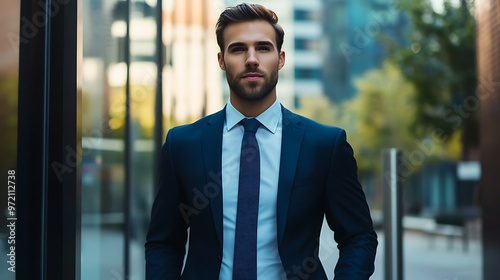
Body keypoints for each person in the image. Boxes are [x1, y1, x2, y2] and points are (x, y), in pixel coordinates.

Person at [145, 3, 377, 280]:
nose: (251, 59)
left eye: (263, 48)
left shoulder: (325, 145)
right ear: (221, 59)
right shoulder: (181, 144)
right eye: (238, 48)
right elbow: (163, 242)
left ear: (280, 59)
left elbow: (359, 237)